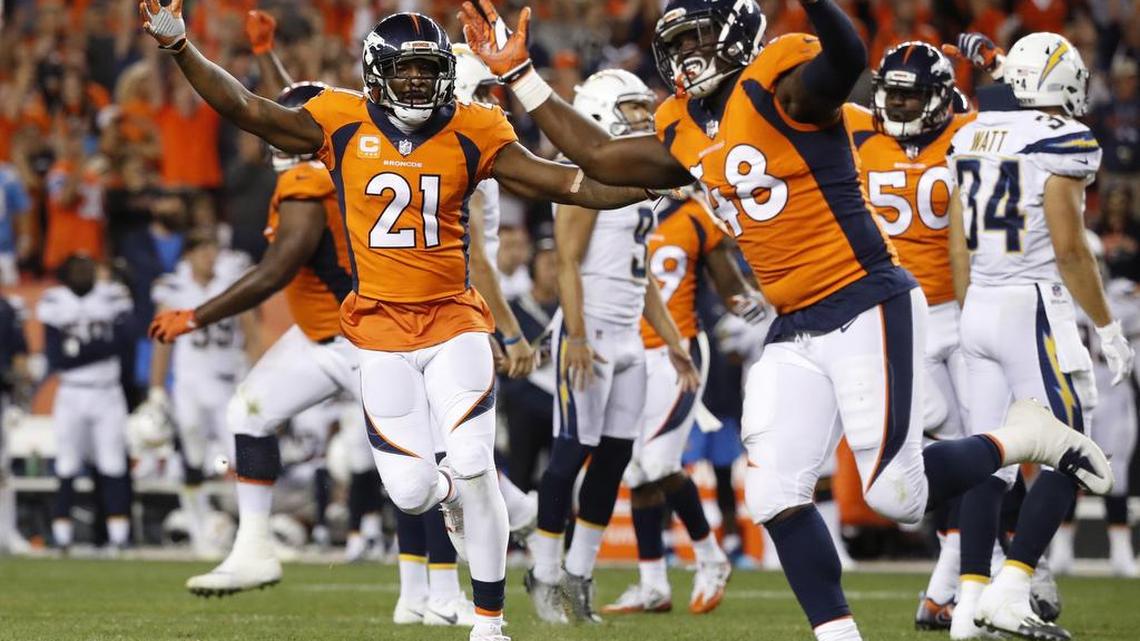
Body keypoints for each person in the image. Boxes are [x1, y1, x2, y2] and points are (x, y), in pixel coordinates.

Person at [461, 1, 1116, 638]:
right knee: (773, 493)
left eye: (697, 39)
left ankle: (1022, 435)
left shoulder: (779, 83)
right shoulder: (682, 122)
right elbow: (602, 159)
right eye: (677, 44)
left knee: (898, 494)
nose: (686, 56)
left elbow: (847, 57)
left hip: (864, 297)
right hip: (793, 322)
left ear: (738, 34)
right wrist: (521, 76)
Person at [140, 4, 648, 639]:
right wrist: (181, 47)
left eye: (428, 70)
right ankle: (460, 501)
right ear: (376, 73)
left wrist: (648, 183)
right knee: (412, 491)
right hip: (378, 332)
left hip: (453, 321)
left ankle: (489, 623)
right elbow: (248, 108)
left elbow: (566, 183)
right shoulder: (339, 119)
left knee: (472, 460)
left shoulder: (474, 125)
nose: (417, 82)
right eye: (405, 70)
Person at [946, 33, 1134, 640]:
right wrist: (1107, 327)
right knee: (1075, 449)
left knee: (991, 461)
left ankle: (967, 605)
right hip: (1030, 304)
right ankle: (1014, 585)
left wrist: (970, 308)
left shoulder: (971, 133)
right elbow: (1071, 250)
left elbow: (957, 243)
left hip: (977, 303)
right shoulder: (1064, 141)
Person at [524, 68, 700, 625]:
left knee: (616, 458)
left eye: (645, 108)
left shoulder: (637, 179)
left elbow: (637, 275)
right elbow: (566, 263)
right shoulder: (584, 172)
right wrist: (575, 336)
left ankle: (578, 573)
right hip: (590, 333)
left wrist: (671, 340)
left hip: (627, 335)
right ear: (600, 111)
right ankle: (544, 572)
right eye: (632, 108)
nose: (644, 118)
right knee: (572, 450)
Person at [843, 40, 978, 630]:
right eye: (891, 93)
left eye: (911, 95)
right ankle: (970, 572)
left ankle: (962, 583)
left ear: (941, 98)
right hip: (901, 310)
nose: (897, 104)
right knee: (948, 440)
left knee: (984, 442)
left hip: (964, 308)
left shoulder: (969, 132)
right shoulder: (857, 128)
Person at [604, 185, 765, 616]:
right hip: (627, 353)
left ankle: (711, 558)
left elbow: (731, 289)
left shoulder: (695, 214)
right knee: (637, 471)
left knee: (659, 464)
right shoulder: (612, 205)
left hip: (678, 353)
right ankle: (653, 584)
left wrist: (764, 308)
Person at [144, 230, 259, 558]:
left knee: (242, 459)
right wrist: (156, 388)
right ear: (189, 255)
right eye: (203, 249)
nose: (210, 256)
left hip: (227, 384)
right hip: (189, 384)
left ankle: (252, 533)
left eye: (213, 249)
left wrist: (257, 379)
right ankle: (198, 531)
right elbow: (162, 340)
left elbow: (251, 334)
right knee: (192, 458)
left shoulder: (230, 283)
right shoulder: (175, 288)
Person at [1051, 231, 1140, 579]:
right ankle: (1061, 550)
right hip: (1073, 395)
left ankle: (1120, 551)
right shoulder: (1055, 297)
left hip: (1112, 396)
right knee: (1067, 470)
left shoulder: (1120, 297)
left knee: (1114, 474)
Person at [37, 255, 135, 552]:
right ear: (66, 273)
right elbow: (57, 357)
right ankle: (62, 537)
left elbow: (124, 341)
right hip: (71, 392)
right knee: (66, 463)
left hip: (107, 391)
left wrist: (79, 349)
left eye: (88, 268)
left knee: (113, 462)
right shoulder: (55, 300)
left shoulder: (112, 295)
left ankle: (119, 538)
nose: (83, 273)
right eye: (77, 269)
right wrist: (98, 348)